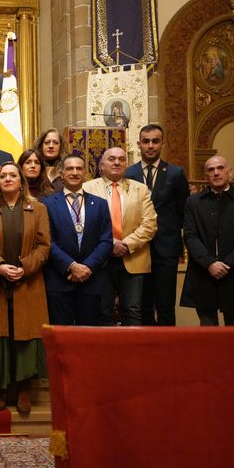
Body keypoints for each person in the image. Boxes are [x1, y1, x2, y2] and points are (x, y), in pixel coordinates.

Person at [0, 161, 50, 413]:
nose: (7, 179)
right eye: (3, 175)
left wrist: (24, 267)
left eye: (12, 175)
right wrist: (0, 266)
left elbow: (44, 246)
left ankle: (24, 389)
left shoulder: (37, 208)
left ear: (21, 180)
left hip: (27, 282)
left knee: (24, 335)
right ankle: (0, 390)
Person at [180, 156, 234, 326]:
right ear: (205, 175)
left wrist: (227, 264)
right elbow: (190, 236)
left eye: (220, 168)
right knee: (207, 324)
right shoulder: (193, 202)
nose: (216, 173)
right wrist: (210, 263)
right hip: (203, 272)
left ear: (229, 172)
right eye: (210, 170)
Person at [83, 147, 157, 325]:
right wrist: (109, 244)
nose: (116, 162)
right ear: (102, 165)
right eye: (111, 159)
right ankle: (105, 352)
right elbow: (85, 225)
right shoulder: (87, 188)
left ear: (126, 164)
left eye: (121, 159)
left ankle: (133, 352)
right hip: (100, 260)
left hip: (133, 257)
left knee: (133, 310)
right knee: (102, 310)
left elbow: (150, 224)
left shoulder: (141, 189)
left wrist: (125, 244)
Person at [125, 124, 189, 325]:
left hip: (166, 248)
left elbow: (182, 211)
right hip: (138, 248)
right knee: (141, 304)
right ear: (139, 144)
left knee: (165, 304)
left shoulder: (175, 174)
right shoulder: (128, 173)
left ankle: (168, 352)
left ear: (163, 143)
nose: (150, 145)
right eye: (146, 141)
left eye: (155, 141)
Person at [42, 155, 112, 325]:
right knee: (61, 337)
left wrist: (87, 267)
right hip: (60, 280)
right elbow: (47, 240)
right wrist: (71, 266)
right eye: (70, 169)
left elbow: (106, 241)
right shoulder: (47, 204)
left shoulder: (100, 204)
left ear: (85, 173)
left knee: (89, 337)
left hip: (91, 280)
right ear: (61, 173)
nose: (74, 172)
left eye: (79, 168)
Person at [34, 128, 66, 192]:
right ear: (41, 145)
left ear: (61, 146)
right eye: (47, 142)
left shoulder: (67, 167)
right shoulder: (33, 166)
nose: (51, 146)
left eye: (55, 143)